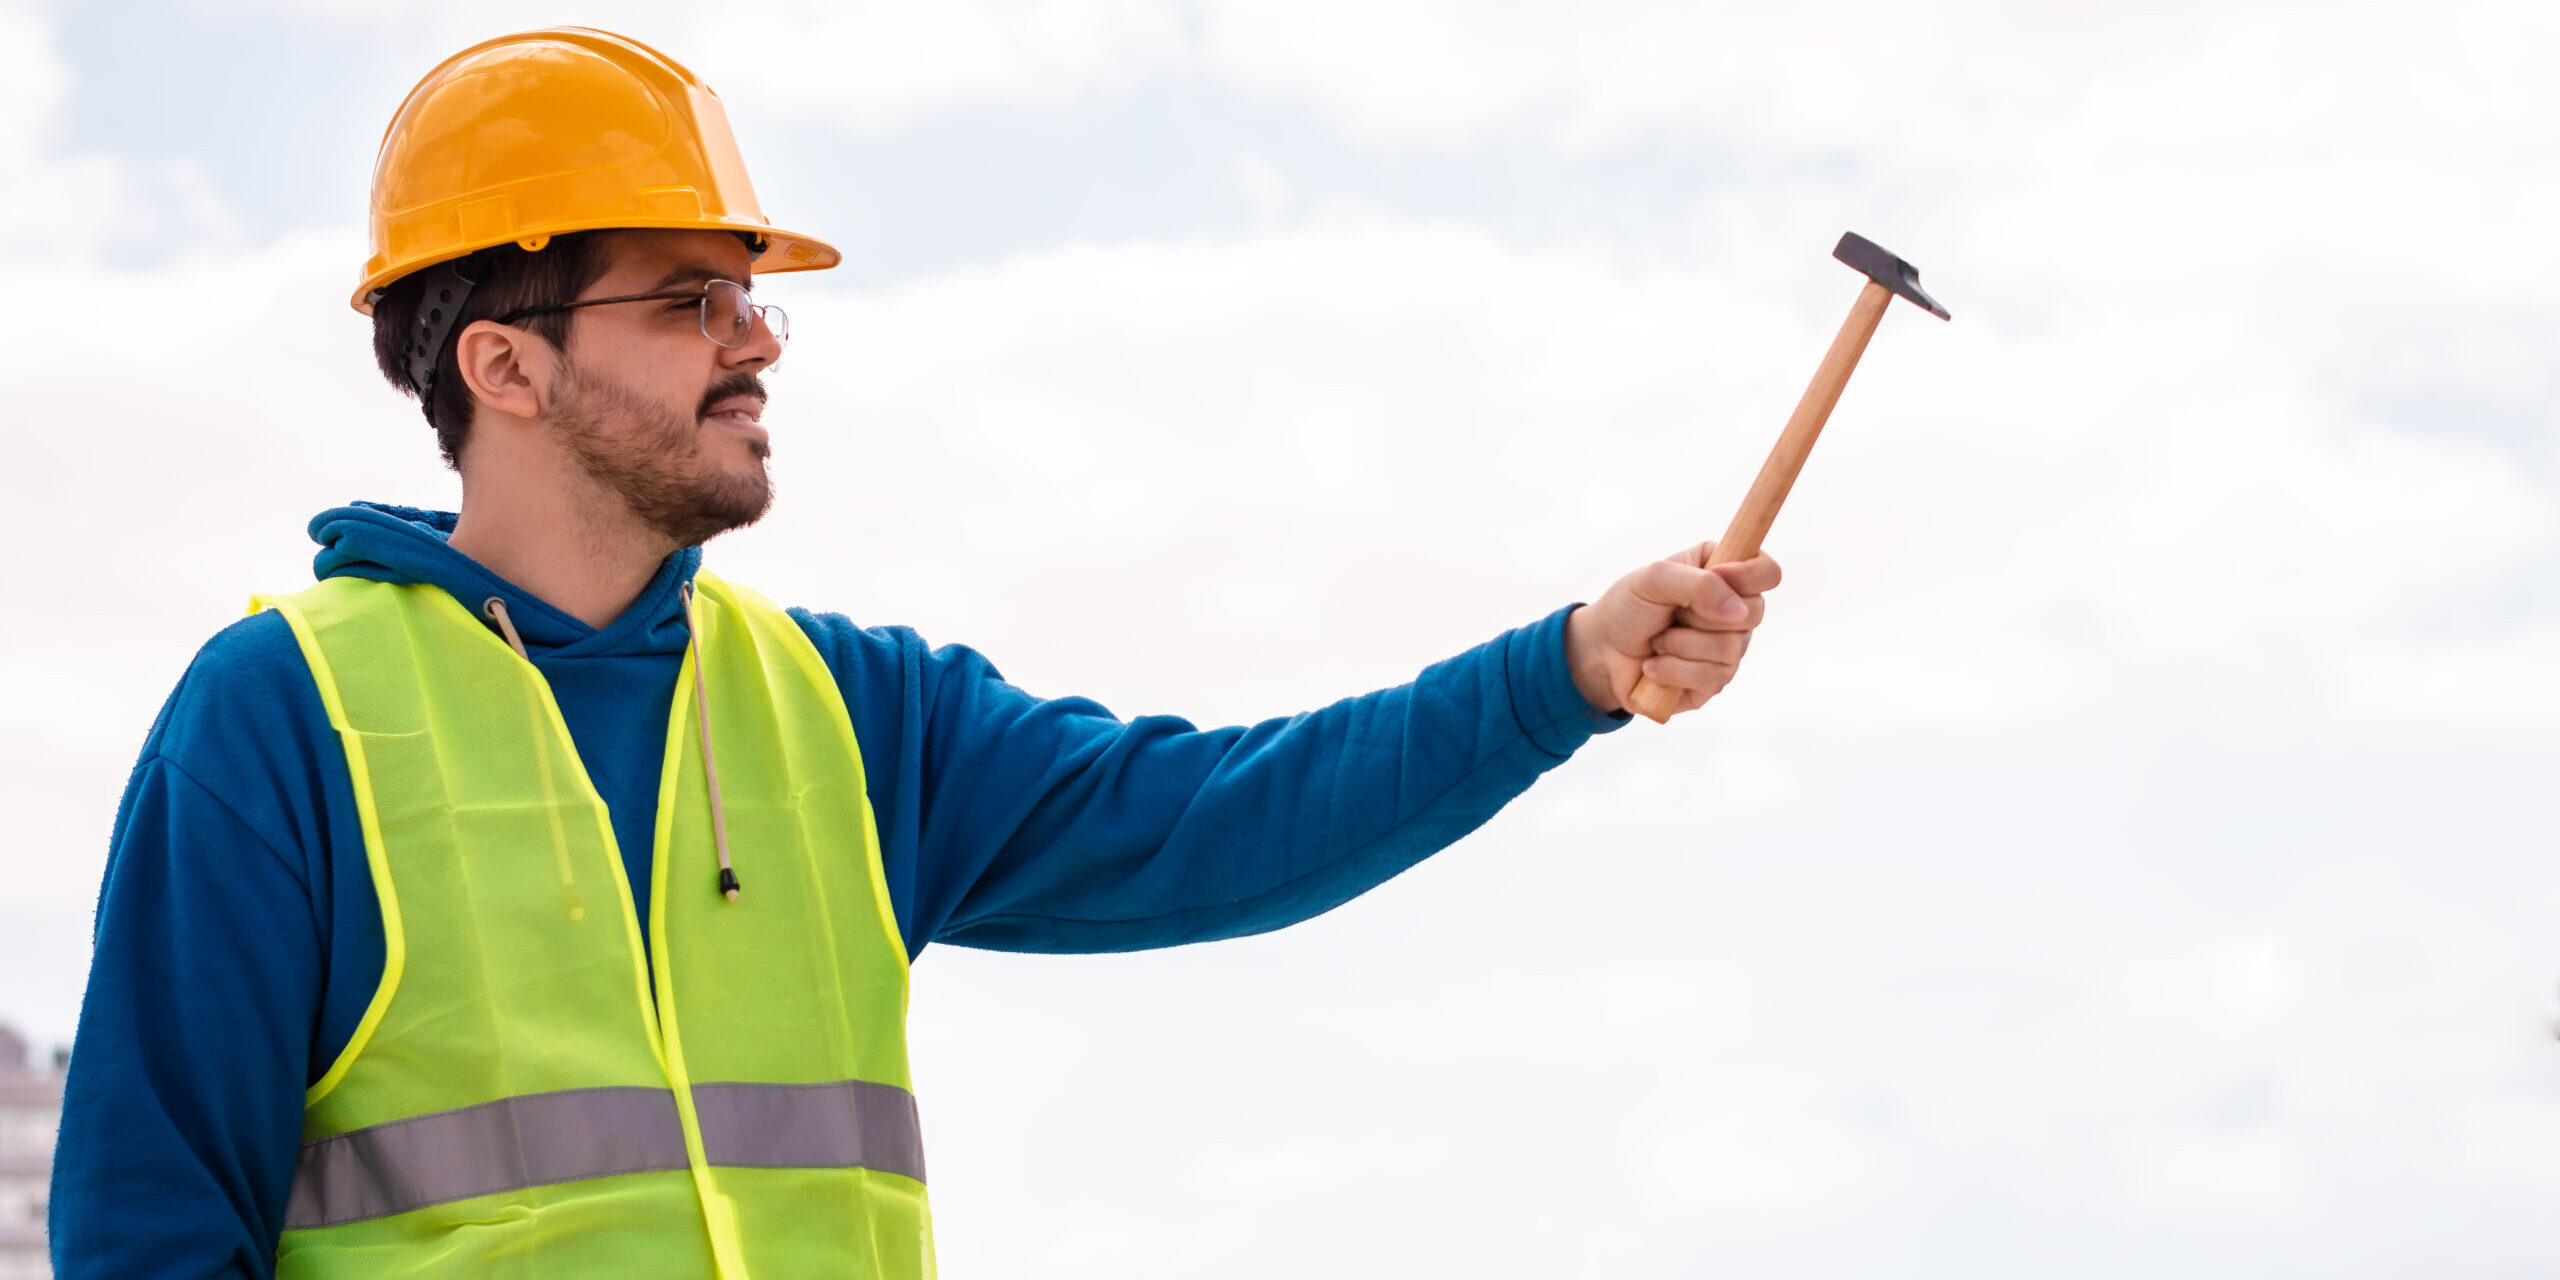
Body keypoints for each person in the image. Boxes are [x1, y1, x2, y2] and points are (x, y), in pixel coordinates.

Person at [48, 26, 1779, 1280]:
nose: (755, 347)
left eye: (752, 297)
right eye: (687, 302)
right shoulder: (284, 717)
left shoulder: (854, 714)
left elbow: (1226, 819)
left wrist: (1559, 672)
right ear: (501, 366)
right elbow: (149, 1225)